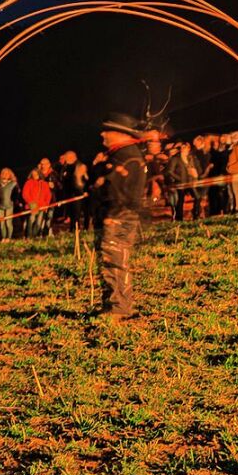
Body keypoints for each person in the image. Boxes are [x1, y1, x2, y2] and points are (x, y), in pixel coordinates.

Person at [93, 113, 146, 321]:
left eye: (107, 130)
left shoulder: (125, 156)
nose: (102, 134)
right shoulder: (122, 154)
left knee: (115, 260)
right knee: (111, 259)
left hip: (119, 215)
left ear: (119, 133)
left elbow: (113, 187)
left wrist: (111, 212)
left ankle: (120, 308)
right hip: (120, 214)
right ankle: (113, 304)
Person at [22, 169, 52, 238]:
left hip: (42, 206)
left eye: (36, 174)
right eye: (33, 174)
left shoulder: (44, 184)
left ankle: (34, 236)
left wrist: (46, 204)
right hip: (32, 205)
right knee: (31, 221)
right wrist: (31, 203)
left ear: (39, 174)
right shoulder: (29, 182)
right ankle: (29, 237)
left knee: (39, 222)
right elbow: (25, 194)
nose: (35, 175)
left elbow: (48, 195)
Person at [0, 168, 18, 241]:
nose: (5, 174)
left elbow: (16, 194)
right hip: (0, 206)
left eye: (7, 173)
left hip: (9, 205)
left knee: (8, 222)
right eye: (3, 173)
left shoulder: (13, 184)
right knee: (2, 223)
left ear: (10, 174)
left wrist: (14, 201)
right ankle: (4, 237)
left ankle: (9, 237)